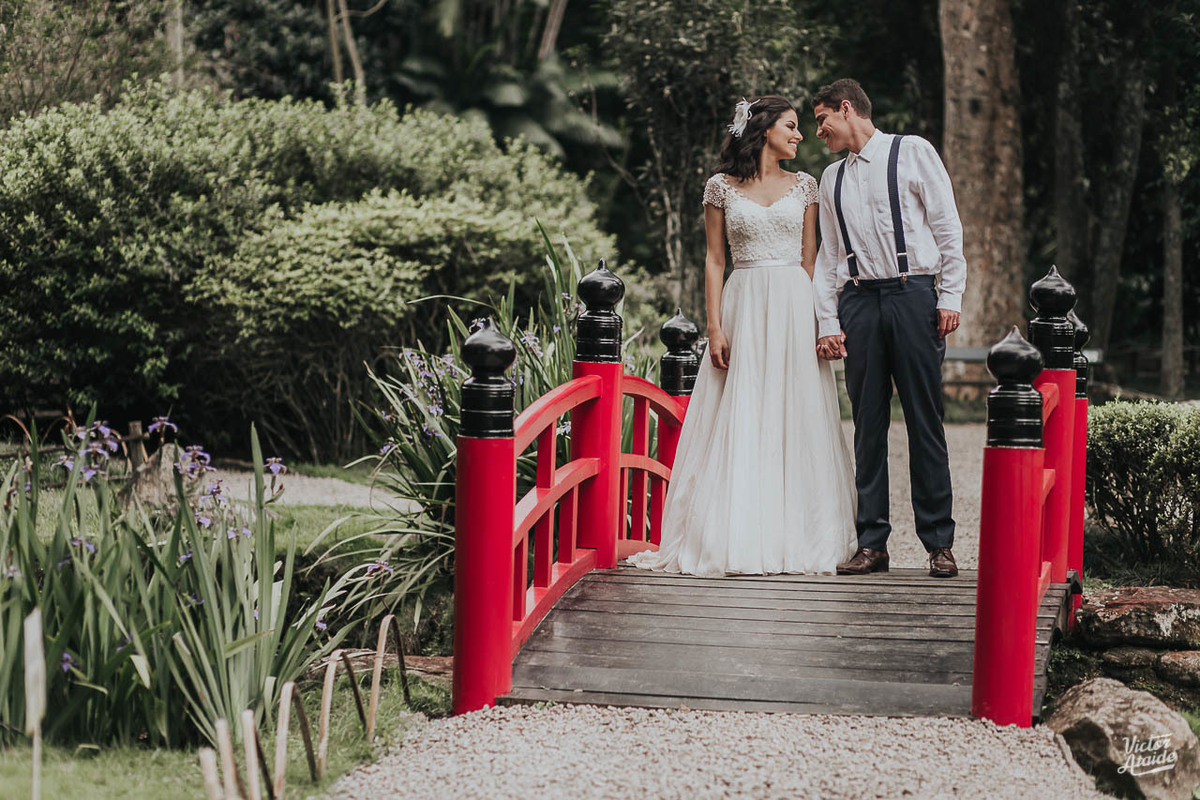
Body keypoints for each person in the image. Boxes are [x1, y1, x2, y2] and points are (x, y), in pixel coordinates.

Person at [628, 95, 857, 577]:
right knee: (744, 409)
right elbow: (714, 259)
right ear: (764, 128)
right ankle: (736, 532)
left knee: (797, 412)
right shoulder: (720, 188)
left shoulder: (806, 187)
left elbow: (811, 260)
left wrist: (822, 320)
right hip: (744, 302)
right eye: (792, 126)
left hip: (795, 303)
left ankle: (800, 534)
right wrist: (714, 326)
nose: (800, 135)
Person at [810, 78, 965, 579]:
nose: (819, 132)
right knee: (868, 427)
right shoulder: (830, 178)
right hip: (858, 301)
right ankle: (872, 543)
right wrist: (829, 320)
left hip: (913, 293)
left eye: (822, 120)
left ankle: (939, 542)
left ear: (847, 108)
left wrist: (950, 296)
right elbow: (830, 256)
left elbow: (946, 226)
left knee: (925, 420)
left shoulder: (912, 151)